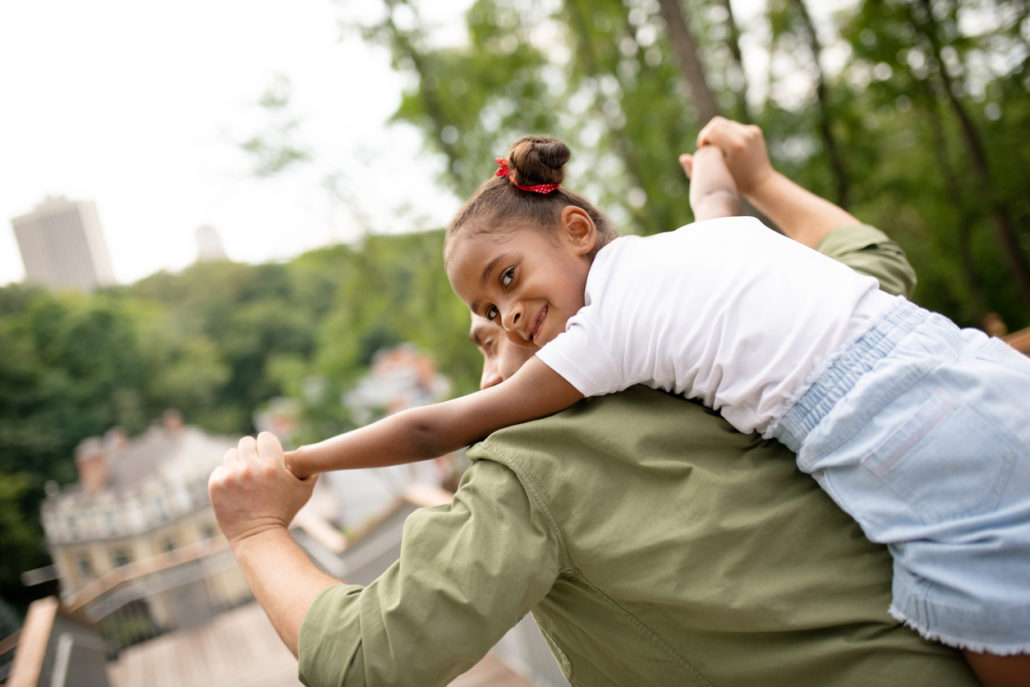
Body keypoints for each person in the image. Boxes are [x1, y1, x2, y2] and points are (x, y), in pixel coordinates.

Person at [210, 121, 985, 686]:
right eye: (484, 322)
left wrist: (255, 526)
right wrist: (757, 176)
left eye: (501, 298)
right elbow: (870, 263)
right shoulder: (712, 319)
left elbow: (366, 658)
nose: (497, 325)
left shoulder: (537, 454)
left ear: (575, 237)